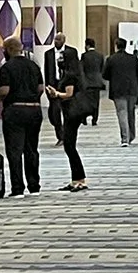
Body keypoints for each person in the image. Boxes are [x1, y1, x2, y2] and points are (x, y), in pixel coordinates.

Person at [0, 35, 44, 197]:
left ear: (9, 50)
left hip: (15, 111)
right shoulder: (33, 65)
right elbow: (40, 88)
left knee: (15, 150)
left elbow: (4, 91)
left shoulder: (7, 67)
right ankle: (34, 186)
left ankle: (17, 188)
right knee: (31, 149)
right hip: (34, 110)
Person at [48, 45, 90, 192]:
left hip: (72, 112)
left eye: (62, 57)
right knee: (69, 145)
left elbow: (69, 94)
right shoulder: (77, 72)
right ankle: (76, 179)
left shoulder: (70, 75)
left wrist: (56, 94)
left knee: (69, 145)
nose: (59, 60)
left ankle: (80, 179)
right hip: (73, 112)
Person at [103, 36, 138, 147]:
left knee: (122, 112)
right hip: (132, 89)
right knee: (131, 112)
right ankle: (131, 135)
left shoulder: (111, 59)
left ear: (116, 46)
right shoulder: (133, 58)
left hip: (118, 90)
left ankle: (125, 138)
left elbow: (105, 75)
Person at [41, 32, 69, 146]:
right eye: (55, 40)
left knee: (67, 112)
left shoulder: (70, 52)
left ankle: (67, 135)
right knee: (55, 112)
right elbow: (47, 71)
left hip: (66, 85)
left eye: (59, 40)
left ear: (63, 41)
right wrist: (47, 86)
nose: (56, 42)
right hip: (53, 85)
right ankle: (60, 135)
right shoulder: (48, 54)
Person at [80, 38, 106, 127]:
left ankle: (84, 119)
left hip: (87, 82)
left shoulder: (84, 56)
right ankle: (94, 120)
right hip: (97, 82)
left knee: (85, 101)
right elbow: (102, 69)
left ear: (87, 46)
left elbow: (82, 69)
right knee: (96, 101)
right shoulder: (100, 56)